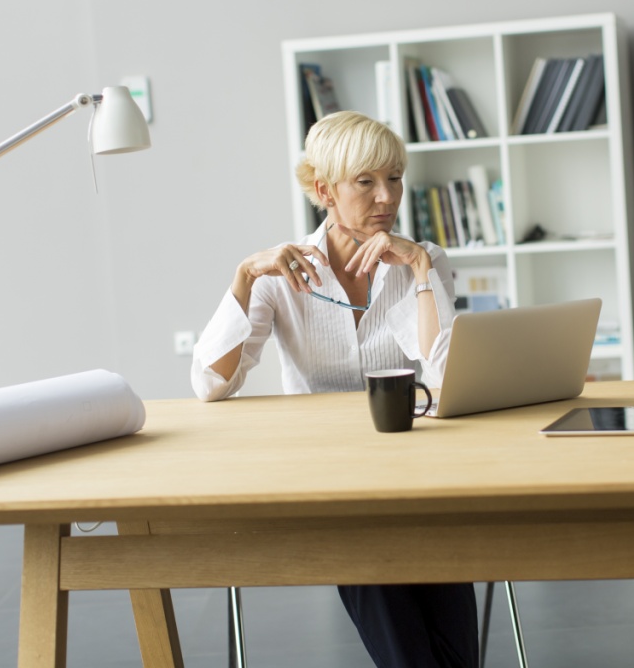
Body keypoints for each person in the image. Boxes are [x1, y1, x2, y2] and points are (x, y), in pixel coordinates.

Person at [190, 110, 478, 668]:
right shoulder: (282, 276)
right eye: (365, 181)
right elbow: (210, 384)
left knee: (438, 545)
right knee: (369, 546)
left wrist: (419, 270)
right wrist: (245, 276)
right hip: (330, 480)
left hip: (418, 471)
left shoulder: (422, 262)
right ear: (324, 190)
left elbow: (444, 376)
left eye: (393, 178)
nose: (386, 197)